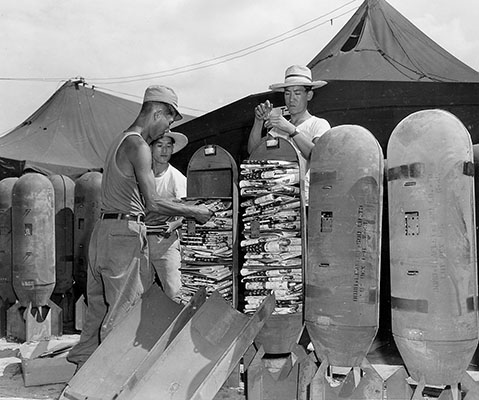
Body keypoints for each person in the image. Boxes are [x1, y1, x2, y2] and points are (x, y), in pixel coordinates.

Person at [67, 85, 212, 369]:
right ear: (158, 112)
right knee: (123, 315)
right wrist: (194, 212)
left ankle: (82, 374)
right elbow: (154, 201)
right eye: (169, 119)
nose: (168, 127)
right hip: (123, 235)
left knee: (97, 311)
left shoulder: (120, 140)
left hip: (103, 234)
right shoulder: (139, 146)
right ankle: (112, 382)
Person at [247, 65, 331, 202]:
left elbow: (317, 157)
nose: (292, 99)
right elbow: (253, 151)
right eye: (287, 93)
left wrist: (291, 130)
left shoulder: (318, 124)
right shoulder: (277, 128)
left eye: (297, 93)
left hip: (305, 201)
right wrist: (258, 121)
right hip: (277, 201)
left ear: (309, 95)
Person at [147, 130, 188, 302]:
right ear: (150, 148)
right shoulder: (142, 176)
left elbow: (187, 211)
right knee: (138, 293)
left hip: (165, 241)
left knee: (174, 291)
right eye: (159, 145)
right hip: (140, 240)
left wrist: (173, 225)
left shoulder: (177, 178)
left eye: (168, 146)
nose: (164, 150)